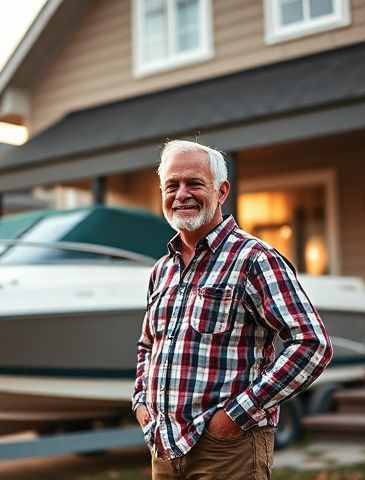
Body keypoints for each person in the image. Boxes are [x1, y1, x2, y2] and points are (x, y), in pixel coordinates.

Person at [132, 140, 333, 480]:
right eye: (172, 185)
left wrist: (234, 417)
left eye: (194, 183)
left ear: (221, 191)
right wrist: (141, 404)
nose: (181, 194)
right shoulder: (161, 270)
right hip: (164, 449)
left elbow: (312, 344)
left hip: (227, 451)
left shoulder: (255, 259)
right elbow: (148, 345)